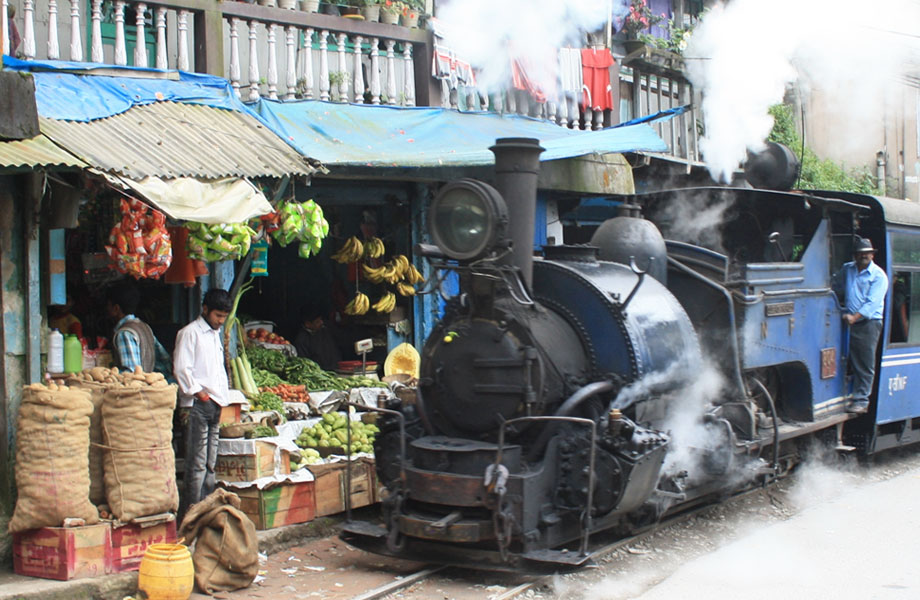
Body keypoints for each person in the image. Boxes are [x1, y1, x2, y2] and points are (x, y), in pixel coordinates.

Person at [173, 288, 232, 514]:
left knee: (210, 463)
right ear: (205, 309)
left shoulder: (215, 334)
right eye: (217, 316)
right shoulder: (190, 333)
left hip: (214, 403)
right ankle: (191, 513)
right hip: (197, 404)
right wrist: (200, 394)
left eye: (223, 317)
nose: (220, 321)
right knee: (196, 464)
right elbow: (181, 368)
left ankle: (207, 510)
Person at [838, 237, 889, 414]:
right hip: (848, 319)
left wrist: (855, 317)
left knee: (864, 361)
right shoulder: (847, 269)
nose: (863, 256)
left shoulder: (879, 276)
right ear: (855, 255)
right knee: (846, 358)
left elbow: (872, 303)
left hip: (868, 322)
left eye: (867, 253)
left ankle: (861, 399)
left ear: (872, 255)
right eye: (860, 253)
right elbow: (837, 286)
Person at [107, 284, 172, 377]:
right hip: (148, 386)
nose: (107, 309)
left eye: (108, 305)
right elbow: (164, 359)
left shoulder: (124, 333)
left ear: (116, 308)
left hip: (136, 389)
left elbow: (131, 372)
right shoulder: (144, 327)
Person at [294, 304, 342, 371]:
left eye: (321, 319)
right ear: (308, 324)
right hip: (321, 374)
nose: (321, 322)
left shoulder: (326, 328)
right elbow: (305, 363)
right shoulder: (301, 340)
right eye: (317, 322)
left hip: (337, 368)